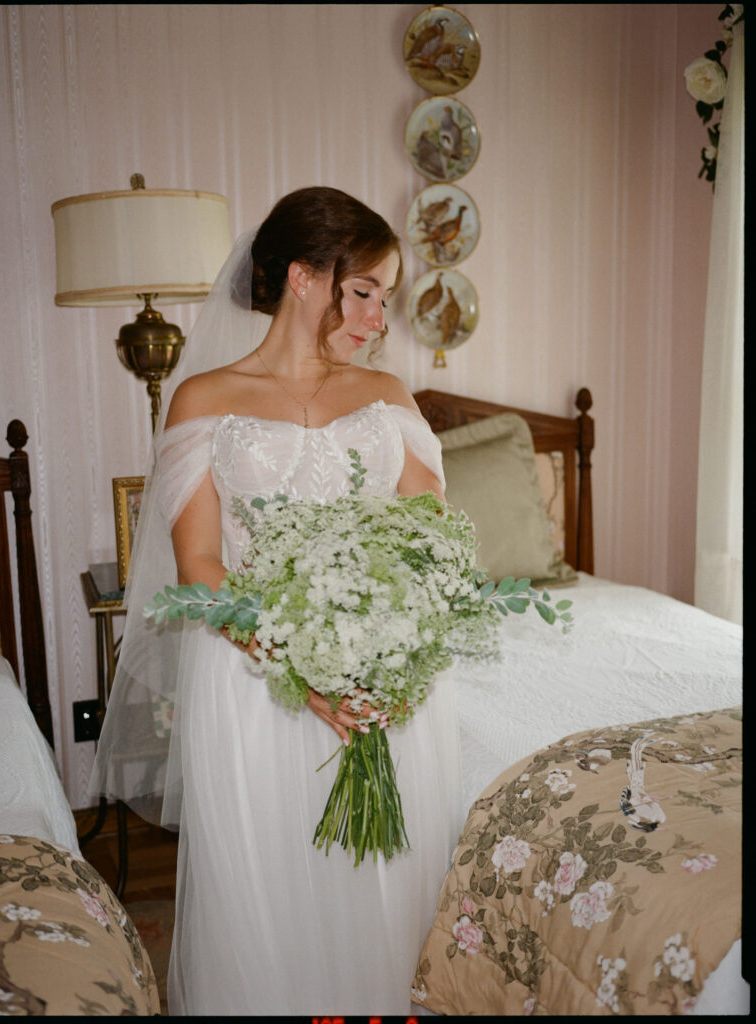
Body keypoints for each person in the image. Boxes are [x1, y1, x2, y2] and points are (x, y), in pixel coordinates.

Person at [90, 186, 462, 1015]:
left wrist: (392, 653)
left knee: (377, 891)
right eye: (364, 293)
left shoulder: (389, 397)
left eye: (385, 299)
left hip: (380, 687)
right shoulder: (203, 400)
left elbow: (430, 546)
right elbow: (199, 569)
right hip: (257, 681)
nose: (377, 318)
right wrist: (304, 667)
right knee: (270, 894)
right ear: (303, 277)